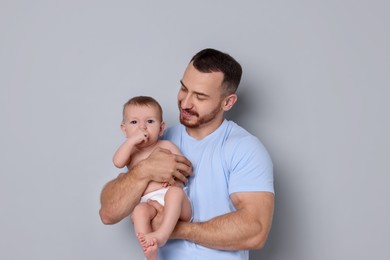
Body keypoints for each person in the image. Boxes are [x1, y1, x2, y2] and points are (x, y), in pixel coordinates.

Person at [100, 48, 274, 260]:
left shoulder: (244, 149)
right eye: (184, 89)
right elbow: (108, 213)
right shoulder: (155, 139)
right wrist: (143, 171)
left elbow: (255, 231)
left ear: (227, 102)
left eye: (200, 96)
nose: (185, 103)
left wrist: (176, 229)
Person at [112, 96, 192, 260]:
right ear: (124, 129)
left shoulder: (166, 146)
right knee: (139, 211)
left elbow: (186, 168)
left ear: (161, 128)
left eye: (150, 121)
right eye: (134, 123)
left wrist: (174, 180)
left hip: (176, 202)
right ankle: (150, 252)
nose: (142, 127)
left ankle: (161, 235)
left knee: (175, 193)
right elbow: (118, 162)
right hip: (149, 203)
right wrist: (132, 141)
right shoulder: (131, 153)